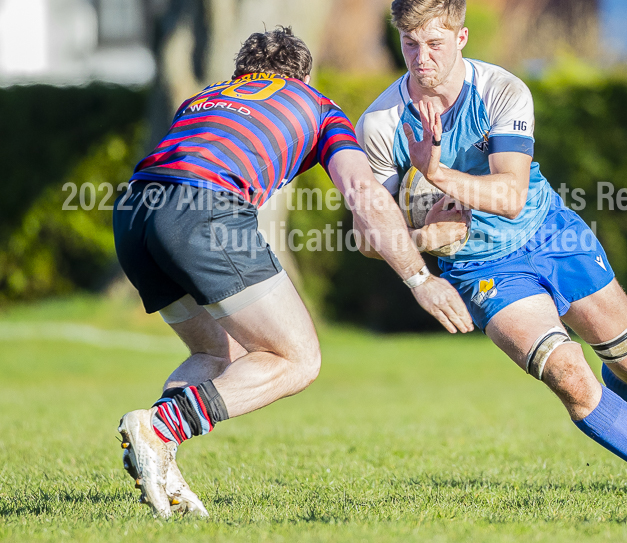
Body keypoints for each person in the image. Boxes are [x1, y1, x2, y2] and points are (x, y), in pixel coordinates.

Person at [356, 0, 627, 509]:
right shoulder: (382, 123)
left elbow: (512, 194)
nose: (420, 57)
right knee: (569, 373)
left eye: (433, 43)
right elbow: (366, 238)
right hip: (481, 268)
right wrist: (426, 238)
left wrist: (437, 172)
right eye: (409, 44)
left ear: (461, 37)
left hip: (551, 233)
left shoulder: (500, 90)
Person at [113, 26, 472, 519]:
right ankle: (159, 429)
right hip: (203, 209)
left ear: (242, 73)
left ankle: (160, 456)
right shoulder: (319, 106)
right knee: (298, 359)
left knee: (216, 352)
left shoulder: (205, 99)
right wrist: (420, 278)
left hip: (133, 213)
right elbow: (363, 195)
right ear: (303, 75)